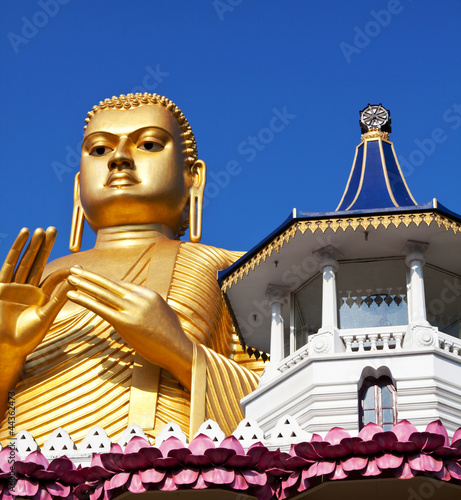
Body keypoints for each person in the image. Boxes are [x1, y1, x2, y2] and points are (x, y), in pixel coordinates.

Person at [0, 93, 262, 446]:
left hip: (162, 473)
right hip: (24, 473)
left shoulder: (235, 267)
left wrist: (178, 350)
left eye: (149, 144)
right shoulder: (32, 285)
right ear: (77, 187)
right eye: (99, 150)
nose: (119, 159)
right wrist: (7, 357)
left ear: (193, 177)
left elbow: (278, 403)